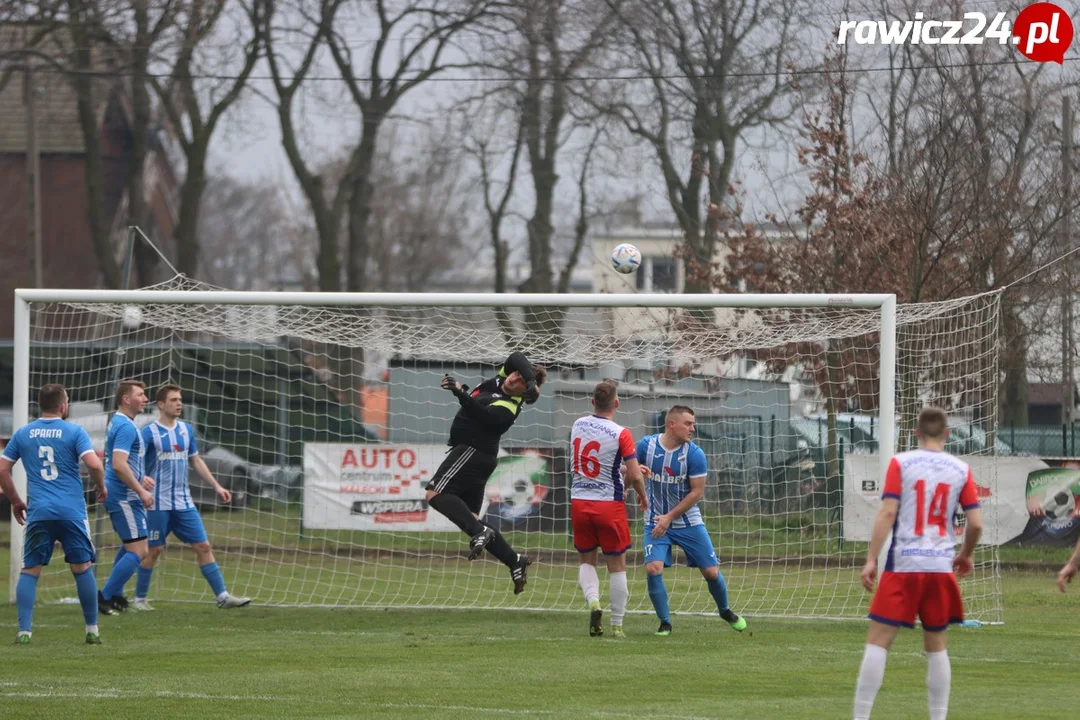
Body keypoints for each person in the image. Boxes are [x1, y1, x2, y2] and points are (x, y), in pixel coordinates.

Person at [853, 407, 984, 720]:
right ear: (948, 434)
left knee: (878, 642)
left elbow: (887, 513)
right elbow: (976, 524)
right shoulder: (961, 469)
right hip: (940, 567)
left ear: (915, 433)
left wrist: (872, 558)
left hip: (904, 566)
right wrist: (965, 554)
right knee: (936, 645)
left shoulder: (902, 462)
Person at [426, 351, 546, 594]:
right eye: (517, 374)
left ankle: (482, 532)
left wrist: (460, 392)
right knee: (470, 519)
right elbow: (516, 356)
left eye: (522, 382)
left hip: (473, 453)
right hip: (480, 458)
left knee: (434, 493)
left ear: (525, 393)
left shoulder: (509, 408)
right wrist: (530, 379)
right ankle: (515, 561)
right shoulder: (501, 380)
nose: (514, 379)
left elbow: (482, 415)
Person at [0, 384, 107, 644]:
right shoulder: (75, 431)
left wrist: (15, 500)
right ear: (63, 405)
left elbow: (2, 469)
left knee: (30, 570)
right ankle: (92, 630)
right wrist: (101, 486)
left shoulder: (24, 433)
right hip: (71, 511)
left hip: (39, 512)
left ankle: (25, 631)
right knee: (82, 568)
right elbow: (93, 463)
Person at [133, 384, 251, 610]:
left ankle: (223, 597)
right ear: (161, 404)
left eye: (180, 399)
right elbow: (134, 461)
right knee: (154, 549)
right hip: (157, 502)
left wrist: (217, 486)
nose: (179, 403)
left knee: (204, 546)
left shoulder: (186, 430)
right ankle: (139, 599)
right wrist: (141, 480)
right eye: (174, 400)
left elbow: (196, 460)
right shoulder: (148, 433)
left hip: (184, 502)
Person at [637, 405, 747, 636]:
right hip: (656, 520)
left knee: (711, 572)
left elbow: (696, 492)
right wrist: (635, 475)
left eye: (693, 424)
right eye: (688, 423)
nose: (692, 428)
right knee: (653, 568)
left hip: (688, 522)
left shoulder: (694, 454)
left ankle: (725, 610)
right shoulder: (646, 446)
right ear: (671, 424)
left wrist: (670, 517)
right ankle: (665, 623)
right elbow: (627, 475)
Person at [569, 380, 647, 638]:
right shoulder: (621, 433)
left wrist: (622, 469)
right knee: (617, 565)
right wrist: (642, 494)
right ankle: (617, 625)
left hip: (580, 502)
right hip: (608, 505)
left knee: (586, 559)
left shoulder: (578, 424)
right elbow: (636, 477)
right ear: (617, 403)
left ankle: (593, 602)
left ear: (592, 402)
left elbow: (594, 461)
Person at [98, 379, 156, 613]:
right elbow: (119, 465)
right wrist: (141, 490)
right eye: (140, 395)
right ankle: (103, 597)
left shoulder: (122, 423)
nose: (145, 399)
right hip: (124, 496)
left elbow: (120, 462)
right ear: (126, 399)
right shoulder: (124, 426)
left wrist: (140, 478)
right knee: (139, 551)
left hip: (125, 492)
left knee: (130, 546)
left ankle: (116, 596)